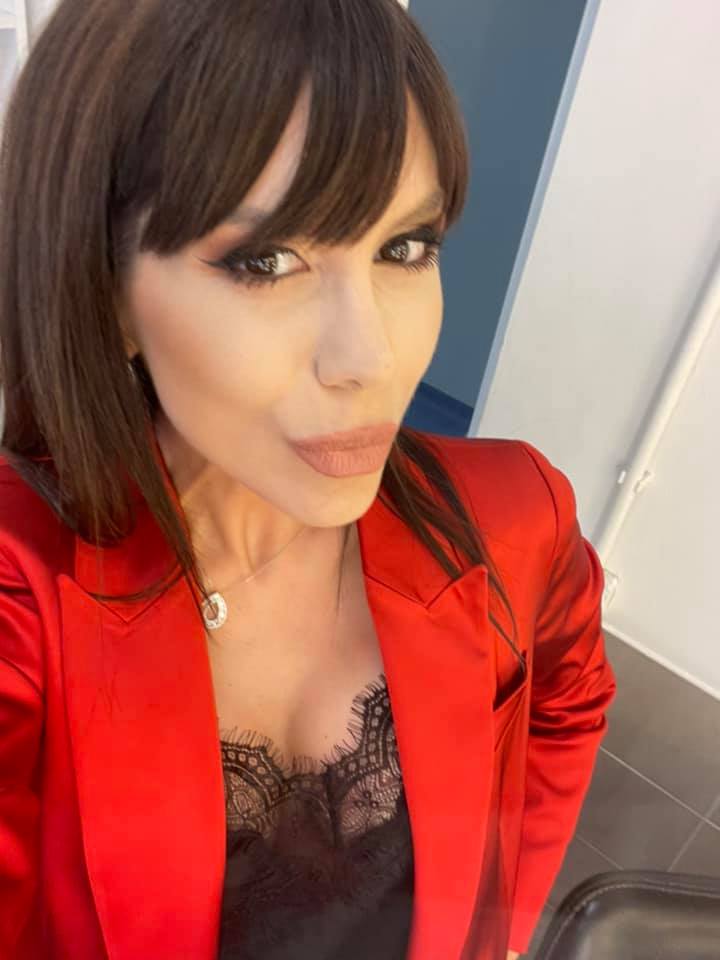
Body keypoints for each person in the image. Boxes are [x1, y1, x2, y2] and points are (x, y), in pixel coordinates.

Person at [0, 1, 616, 958]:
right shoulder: (21, 601)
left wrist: (501, 927)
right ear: (104, 290)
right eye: (268, 261)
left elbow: (568, 702)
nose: (370, 357)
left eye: (404, 248)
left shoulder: (512, 518)